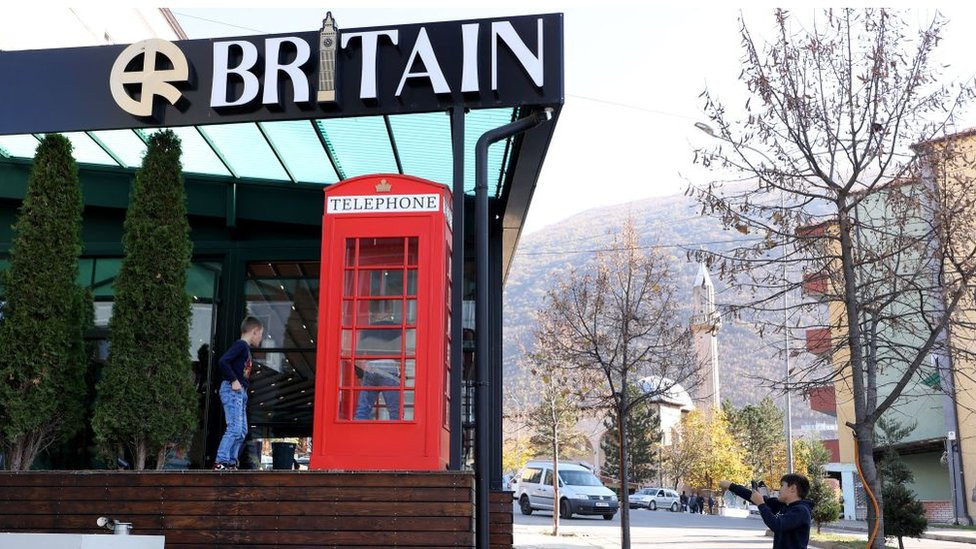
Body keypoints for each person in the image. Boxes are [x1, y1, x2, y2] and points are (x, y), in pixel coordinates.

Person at [213, 316, 263, 471]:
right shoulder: (240, 345)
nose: (261, 338)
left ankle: (231, 461)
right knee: (235, 428)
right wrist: (234, 380)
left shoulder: (245, 348)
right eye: (260, 334)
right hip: (232, 390)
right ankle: (221, 461)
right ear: (254, 331)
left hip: (240, 393)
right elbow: (223, 361)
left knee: (242, 431)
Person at [720, 474, 814, 549]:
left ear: (793, 488)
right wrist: (731, 486)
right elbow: (752, 496)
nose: (779, 489)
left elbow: (777, 525)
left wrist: (761, 504)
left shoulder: (801, 511)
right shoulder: (783, 505)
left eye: (782, 485)